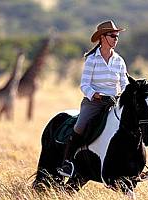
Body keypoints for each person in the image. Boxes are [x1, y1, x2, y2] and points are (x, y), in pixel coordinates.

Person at [57, 20, 129, 177]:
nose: (116, 39)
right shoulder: (92, 60)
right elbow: (84, 85)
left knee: (133, 126)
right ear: (103, 37)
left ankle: (135, 166)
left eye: (117, 36)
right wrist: (97, 95)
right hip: (94, 103)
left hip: (114, 103)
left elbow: (124, 84)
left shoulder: (119, 61)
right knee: (79, 127)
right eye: (113, 35)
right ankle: (67, 163)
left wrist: (121, 96)